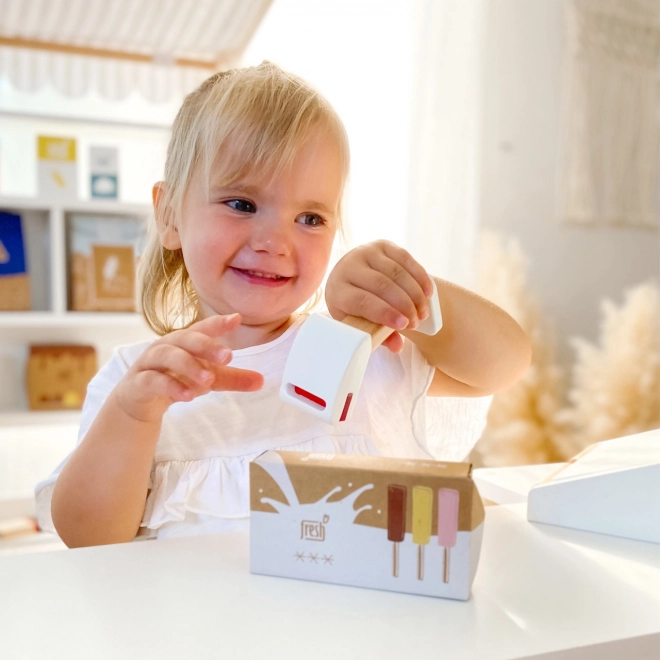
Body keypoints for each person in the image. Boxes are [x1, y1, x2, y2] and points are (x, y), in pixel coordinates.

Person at [35, 62, 531, 547]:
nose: (275, 240)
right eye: (242, 204)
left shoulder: (360, 352)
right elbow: (86, 535)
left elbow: (505, 364)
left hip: (360, 627)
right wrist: (134, 415)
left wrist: (414, 292)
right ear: (170, 214)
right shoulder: (136, 382)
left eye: (311, 218)